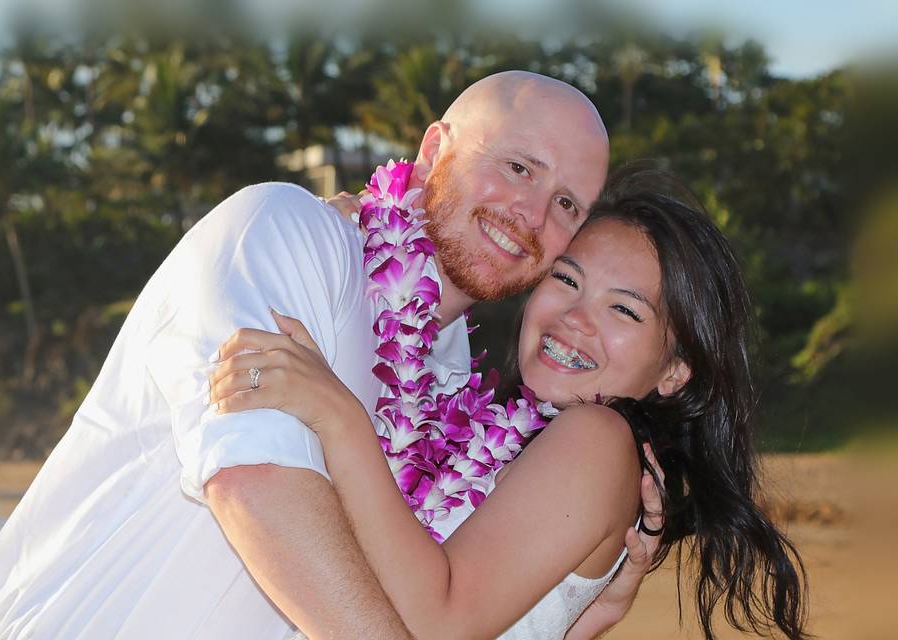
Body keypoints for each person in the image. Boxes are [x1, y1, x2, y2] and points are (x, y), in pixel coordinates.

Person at [0, 71, 659, 639]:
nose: (533, 214)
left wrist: (579, 614)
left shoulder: (456, 405)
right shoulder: (286, 233)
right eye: (517, 166)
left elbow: (443, 603)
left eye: (567, 202)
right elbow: (254, 479)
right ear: (434, 150)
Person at [208, 169, 808, 639]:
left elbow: (438, 623)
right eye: (567, 280)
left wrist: (338, 416)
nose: (575, 319)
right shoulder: (517, 434)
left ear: (676, 370)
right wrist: (356, 237)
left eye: (624, 309)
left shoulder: (597, 438)